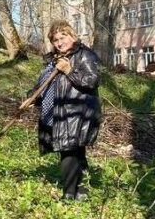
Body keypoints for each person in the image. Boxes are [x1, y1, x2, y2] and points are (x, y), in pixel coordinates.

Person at [32, 21, 102, 201]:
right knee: (75, 150)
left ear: (73, 36)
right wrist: (31, 98)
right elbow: (44, 84)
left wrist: (69, 70)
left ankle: (69, 195)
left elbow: (92, 81)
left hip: (78, 110)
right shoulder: (54, 59)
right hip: (58, 110)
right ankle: (81, 191)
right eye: (55, 40)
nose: (59, 43)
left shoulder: (85, 55)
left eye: (63, 38)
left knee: (68, 149)